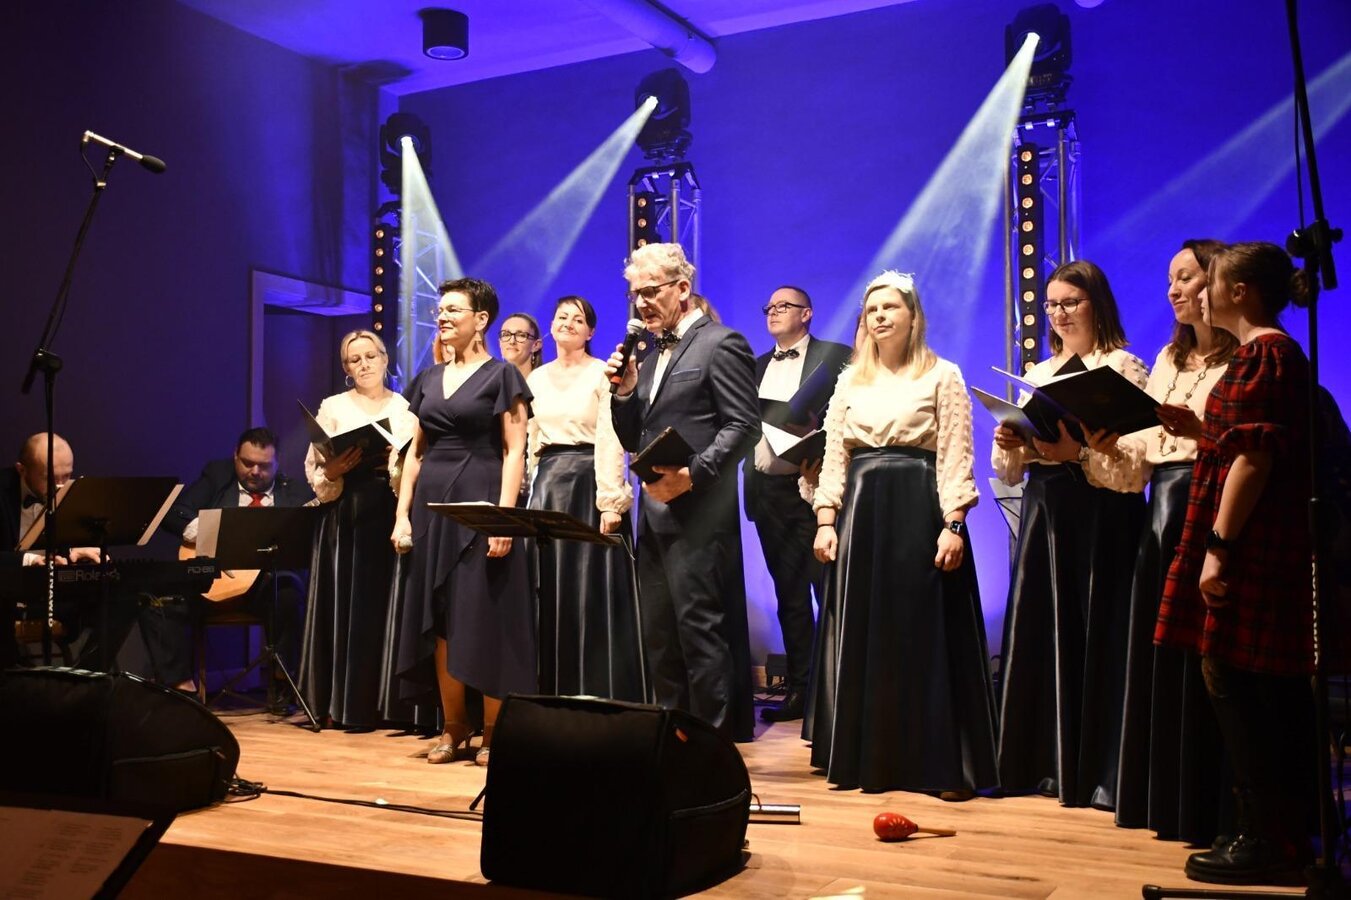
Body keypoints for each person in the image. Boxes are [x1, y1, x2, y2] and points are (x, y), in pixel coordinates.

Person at [1155, 242, 1317, 884]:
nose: (1200, 294)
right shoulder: (1266, 356)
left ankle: (1265, 837)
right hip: (1250, 539)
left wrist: (1218, 549)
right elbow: (1242, 442)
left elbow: (1254, 459)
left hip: (1250, 545)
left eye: (1211, 282)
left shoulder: (1264, 355)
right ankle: (1267, 829)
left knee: (1235, 677)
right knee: (1242, 680)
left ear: (1240, 292)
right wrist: (1202, 434)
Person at [806, 271, 997, 796]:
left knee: (922, 632)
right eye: (872, 310)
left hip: (919, 510)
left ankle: (936, 765)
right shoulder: (851, 379)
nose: (880, 316)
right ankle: (867, 760)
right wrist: (826, 519)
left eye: (890, 307)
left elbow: (956, 454)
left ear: (913, 316)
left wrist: (954, 524)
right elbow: (835, 456)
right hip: (863, 514)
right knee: (868, 634)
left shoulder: (943, 375)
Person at [993, 260, 1148, 810]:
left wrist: (1077, 453)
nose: (1059, 314)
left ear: (1096, 304)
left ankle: (1099, 772)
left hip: (1100, 513)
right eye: (1052, 304)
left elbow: (1137, 463)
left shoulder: (1122, 365)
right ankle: (1041, 764)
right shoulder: (1039, 372)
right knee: (1044, 628)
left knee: (1098, 629)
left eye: (1070, 302)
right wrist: (1014, 442)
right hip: (1047, 509)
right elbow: (1011, 470)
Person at [1099, 241, 1236, 842]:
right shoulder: (1169, 358)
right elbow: (1145, 447)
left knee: (1211, 657)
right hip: (1164, 510)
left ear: (1218, 281)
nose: (1174, 290)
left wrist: (1200, 431)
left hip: (1213, 501)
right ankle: (1166, 795)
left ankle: (1217, 804)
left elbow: (1247, 445)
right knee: (1163, 654)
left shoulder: (1243, 357)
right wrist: (1103, 442)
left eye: (1187, 277)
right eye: (1170, 280)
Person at [605, 242, 760, 741]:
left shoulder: (721, 342)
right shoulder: (649, 359)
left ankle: (711, 746)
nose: (642, 303)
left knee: (700, 632)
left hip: (700, 512)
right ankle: (672, 740)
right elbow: (633, 437)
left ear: (683, 288)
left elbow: (743, 426)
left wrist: (692, 475)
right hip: (653, 515)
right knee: (660, 634)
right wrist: (624, 392)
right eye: (636, 294)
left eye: (651, 291)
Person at [389, 276, 533, 766]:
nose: (443, 316)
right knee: (441, 620)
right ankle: (454, 726)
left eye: (454, 309)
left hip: (482, 504)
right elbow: (415, 453)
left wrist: (503, 520)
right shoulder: (428, 379)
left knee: (487, 617)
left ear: (481, 319)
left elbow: (515, 451)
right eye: (441, 309)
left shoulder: (503, 376)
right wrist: (402, 515)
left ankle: (494, 729)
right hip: (432, 510)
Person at [527, 295, 646, 701]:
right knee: (550, 589)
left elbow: (611, 437)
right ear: (551, 325)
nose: (568, 323)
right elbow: (532, 442)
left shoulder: (601, 373)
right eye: (562, 316)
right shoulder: (536, 378)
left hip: (587, 485)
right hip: (547, 487)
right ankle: (550, 688)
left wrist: (610, 501)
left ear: (590, 331)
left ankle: (596, 687)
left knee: (589, 589)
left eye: (578, 319)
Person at [298, 330, 418, 729]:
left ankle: (387, 706)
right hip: (345, 515)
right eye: (355, 360)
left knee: (384, 607)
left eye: (370, 356)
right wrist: (332, 470)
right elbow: (316, 469)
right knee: (345, 607)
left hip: (388, 510)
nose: (364, 364)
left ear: (385, 359)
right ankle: (343, 704)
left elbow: (413, 464)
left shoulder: (403, 407)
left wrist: (395, 462)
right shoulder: (333, 406)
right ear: (346, 369)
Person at [744, 285, 851, 723]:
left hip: (814, 489)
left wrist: (819, 452)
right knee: (789, 595)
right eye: (768, 307)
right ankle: (801, 691)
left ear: (807, 314)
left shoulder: (835, 356)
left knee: (828, 591)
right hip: (769, 493)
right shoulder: (754, 366)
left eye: (783, 306)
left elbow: (847, 415)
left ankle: (839, 691)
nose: (773, 312)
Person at [162, 427, 315, 686]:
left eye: (264, 466)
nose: (255, 471)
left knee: (289, 591)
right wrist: (208, 533)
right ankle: (180, 686)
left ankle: (283, 677)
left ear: (277, 462)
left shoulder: (297, 494)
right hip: (214, 581)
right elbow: (174, 513)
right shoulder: (217, 477)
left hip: (265, 588)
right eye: (247, 463)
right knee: (162, 600)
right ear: (235, 456)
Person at [499, 312, 543, 379]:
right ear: (500, 342)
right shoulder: (492, 382)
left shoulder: (544, 382)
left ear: (536, 345)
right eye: (506, 335)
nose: (512, 341)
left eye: (521, 335)